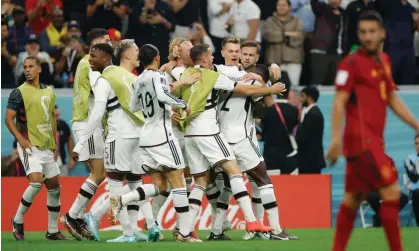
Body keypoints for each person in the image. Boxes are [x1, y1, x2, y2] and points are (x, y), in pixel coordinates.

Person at [173, 44, 288, 241]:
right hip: (219, 134)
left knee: (203, 182)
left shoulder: (186, 73)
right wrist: (269, 86)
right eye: (235, 51)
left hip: (192, 134)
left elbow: (171, 86)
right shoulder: (216, 74)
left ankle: (190, 230)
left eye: (241, 52)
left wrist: (175, 103)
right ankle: (259, 224)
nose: (238, 55)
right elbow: (250, 93)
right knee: (253, 177)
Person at [326, 11, 419, 251]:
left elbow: (392, 99)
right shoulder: (350, 63)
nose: (367, 36)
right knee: (391, 193)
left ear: (382, 33)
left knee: (353, 199)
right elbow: (338, 101)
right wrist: (335, 139)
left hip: (373, 141)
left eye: (371, 31)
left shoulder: (384, 61)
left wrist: (417, 125)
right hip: (361, 142)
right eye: (362, 32)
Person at [215, 36, 297, 241]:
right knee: (263, 180)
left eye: (250, 55)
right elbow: (267, 105)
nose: (244, 57)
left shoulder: (217, 72)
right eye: (242, 53)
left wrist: (267, 74)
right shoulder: (249, 77)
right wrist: (267, 83)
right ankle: (275, 230)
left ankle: (218, 230)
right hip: (241, 137)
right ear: (232, 53)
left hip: (220, 137)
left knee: (228, 183)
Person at [83, 39, 152, 243]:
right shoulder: (107, 77)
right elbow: (98, 111)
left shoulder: (130, 78)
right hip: (116, 136)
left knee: (134, 183)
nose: (140, 54)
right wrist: (82, 141)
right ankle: (124, 230)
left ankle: (132, 228)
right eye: (137, 50)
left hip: (135, 135)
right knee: (115, 184)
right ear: (127, 55)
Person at [130, 43, 195, 242]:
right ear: (157, 58)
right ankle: (184, 233)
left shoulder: (139, 79)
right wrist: (182, 104)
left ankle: (124, 199)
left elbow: (134, 106)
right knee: (179, 182)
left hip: (146, 137)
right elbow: (161, 95)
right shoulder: (157, 75)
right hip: (163, 136)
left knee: (160, 185)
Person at [6, 56, 67, 240]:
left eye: (31, 66)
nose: (27, 70)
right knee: (36, 182)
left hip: (47, 146)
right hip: (29, 144)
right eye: (25, 67)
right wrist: (20, 140)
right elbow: (8, 119)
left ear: (39, 69)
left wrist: (55, 142)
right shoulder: (18, 92)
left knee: (55, 187)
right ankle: (17, 219)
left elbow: (51, 118)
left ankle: (52, 230)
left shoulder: (49, 92)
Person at [60, 28, 110, 241]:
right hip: (87, 123)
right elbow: (99, 93)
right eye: (106, 40)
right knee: (99, 173)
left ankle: (77, 216)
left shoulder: (85, 62)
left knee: (100, 173)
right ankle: (72, 215)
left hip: (88, 124)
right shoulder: (90, 63)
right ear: (95, 42)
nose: (110, 42)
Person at [262, 0, 304, 87]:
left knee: (293, 86)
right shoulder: (270, 21)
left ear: (289, 7)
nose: (281, 7)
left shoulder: (296, 21)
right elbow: (267, 35)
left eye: (284, 5)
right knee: (273, 86)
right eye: (279, 5)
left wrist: (277, 33)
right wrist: (287, 34)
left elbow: (300, 37)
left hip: (293, 59)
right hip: (274, 60)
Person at [296, 85, 326, 174]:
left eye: (302, 96)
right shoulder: (311, 112)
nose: (300, 99)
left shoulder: (313, 114)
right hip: (309, 160)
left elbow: (303, 136)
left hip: (310, 161)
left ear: (309, 98)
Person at [53, 105, 75, 176]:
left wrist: (72, 157)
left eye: (58, 115)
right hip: (48, 163)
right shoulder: (44, 128)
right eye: (55, 116)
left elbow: (70, 140)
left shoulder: (63, 125)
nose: (58, 118)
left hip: (62, 163)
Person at [403, 134, 419, 226]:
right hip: (416, 191)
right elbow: (414, 178)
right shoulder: (409, 159)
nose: (418, 146)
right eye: (416, 143)